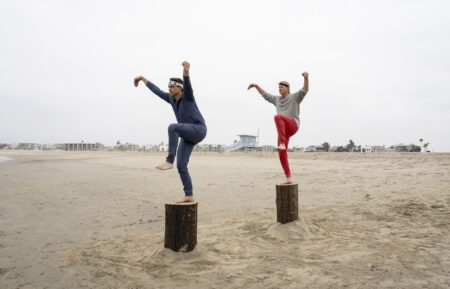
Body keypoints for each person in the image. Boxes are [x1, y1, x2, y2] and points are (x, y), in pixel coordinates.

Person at [134, 61, 207, 203]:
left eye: (172, 87)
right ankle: (189, 194)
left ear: (180, 88)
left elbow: (188, 83)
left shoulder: (188, 97)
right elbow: (157, 91)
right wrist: (143, 79)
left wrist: (186, 72)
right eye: (168, 87)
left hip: (199, 129)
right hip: (187, 134)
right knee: (181, 165)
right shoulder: (171, 99)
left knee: (172, 127)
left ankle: (169, 161)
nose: (169, 89)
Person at [248, 72, 309, 184]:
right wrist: (256, 86)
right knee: (281, 153)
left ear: (288, 88)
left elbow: (305, 89)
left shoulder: (294, 97)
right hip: (283, 130)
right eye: (278, 87)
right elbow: (265, 95)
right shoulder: (276, 99)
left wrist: (306, 78)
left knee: (278, 117)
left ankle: (281, 144)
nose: (279, 89)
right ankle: (288, 177)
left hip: (293, 124)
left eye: (281, 87)